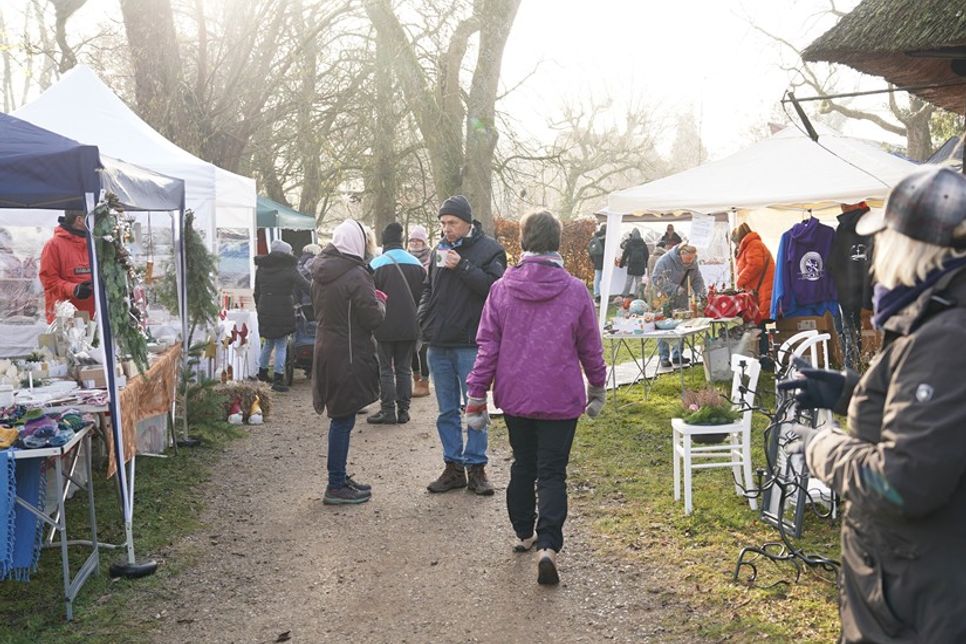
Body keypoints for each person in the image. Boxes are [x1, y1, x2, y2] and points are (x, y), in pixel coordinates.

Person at [777, 167, 966, 643]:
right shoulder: (937, 315)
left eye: (885, 239)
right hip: (910, 587)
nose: (877, 254)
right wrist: (850, 391)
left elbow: (904, 480)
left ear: (911, 246)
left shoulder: (947, 334)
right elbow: (936, 420)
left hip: (921, 601)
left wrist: (824, 448)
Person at [465, 209, 607, 586]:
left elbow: (487, 348)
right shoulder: (576, 290)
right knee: (552, 471)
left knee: (523, 463)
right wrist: (597, 386)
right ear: (557, 242)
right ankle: (548, 546)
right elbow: (591, 347)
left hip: (517, 396)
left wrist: (476, 394)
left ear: (524, 242)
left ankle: (524, 532)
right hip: (561, 396)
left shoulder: (501, 289)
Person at [418, 195, 506, 496]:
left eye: (452, 223)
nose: (447, 229)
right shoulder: (438, 249)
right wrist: (423, 319)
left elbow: (496, 290)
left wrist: (464, 266)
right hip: (438, 342)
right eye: (442, 223)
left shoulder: (490, 249)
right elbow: (429, 287)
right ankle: (453, 467)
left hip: (471, 343)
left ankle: (477, 469)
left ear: (467, 222)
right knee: (445, 411)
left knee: (475, 408)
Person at [311, 219, 386, 505]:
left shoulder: (320, 271)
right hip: (348, 353)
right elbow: (373, 318)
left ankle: (339, 477)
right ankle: (335, 484)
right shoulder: (356, 274)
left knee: (341, 416)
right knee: (342, 419)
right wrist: (380, 301)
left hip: (327, 348)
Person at [368, 222, 425, 424]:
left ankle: (387, 410)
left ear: (383, 241)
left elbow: (369, 297)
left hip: (383, 326)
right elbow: (424, 297)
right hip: (410, 325)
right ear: (402, 240)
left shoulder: (375, 265)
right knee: (404, 369)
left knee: (385, 369)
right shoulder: (417, 265)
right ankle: (404, 410)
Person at [253, 239, 310, 392]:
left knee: (269, 342)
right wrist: (318, 293)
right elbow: (304, 285)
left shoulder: (262, 268)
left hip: (265, 305)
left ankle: (262, 373)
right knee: (281, 344)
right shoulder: (289, 268)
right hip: (283, 307)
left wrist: (259, 306)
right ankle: (278, 378)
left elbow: (256, 291)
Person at [651, 244, 705, 368]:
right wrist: (674, 288)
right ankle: (664, 357)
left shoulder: (693, 263)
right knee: (663, 326)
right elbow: (657, 279)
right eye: (688, 259)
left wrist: (702, 295)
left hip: (682, 298)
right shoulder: (664, 260)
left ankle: (677, 355)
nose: (690, 262)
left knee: (681, 324)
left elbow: (697, 280)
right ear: (682, 254)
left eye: (693, 258)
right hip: (664, 297)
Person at [39, 209, 94, 323]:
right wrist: (74, 289)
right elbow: (49, 281)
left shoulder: (94, 244)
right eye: (92, 217)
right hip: (66, 320)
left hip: (95, 316)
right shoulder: (53, 245)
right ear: (79, 220)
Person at [732, 223, 775, 356]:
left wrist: (740, 281)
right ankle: (762, 355)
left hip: (763, 291)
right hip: (761, 289)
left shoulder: (753, 245)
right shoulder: (752, 244)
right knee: (759, 324)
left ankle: (763, 357)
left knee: (759, 324)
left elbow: (755, 265)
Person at [407, 225, 432, 398]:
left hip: (426, 307)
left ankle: (424, 381)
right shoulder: (404, 258)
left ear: (424, 241)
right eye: (412, 240)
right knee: (410, 345)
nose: (415, 243)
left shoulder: (431, 259)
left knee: (423, 346)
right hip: (408, 306)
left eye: (419, 240)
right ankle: (415, 378)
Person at [618, 227, 649, 298]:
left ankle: (625, 294)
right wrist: (646, 265)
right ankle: (637, 295)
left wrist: (621, 264)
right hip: (640, 266)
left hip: (632, 265)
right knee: (638, 282)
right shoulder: (643, 244)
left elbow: (625, 254)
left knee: (629, 281)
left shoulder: (630, 243)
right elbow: (646, 255)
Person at [587, 223, 607, 301]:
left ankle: (597, 294)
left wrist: (594, 261)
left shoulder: (595, 239)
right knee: (603, 278)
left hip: (597, 261)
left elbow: (591, 252)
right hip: (604, 261)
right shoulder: (606, 239)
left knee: (597, 278)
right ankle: (603, 293)